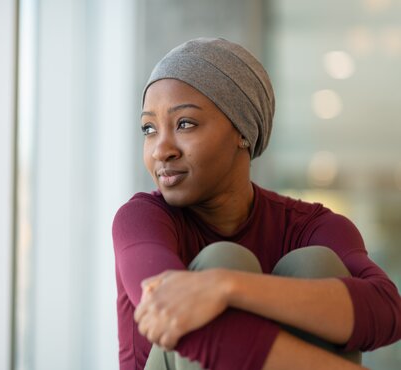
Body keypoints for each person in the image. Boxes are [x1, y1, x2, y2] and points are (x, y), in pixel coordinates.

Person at [112, 38, 401, 370]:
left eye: (185, 124)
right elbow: (174, 315)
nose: (161, 149)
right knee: (223, 259)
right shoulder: (140, 219)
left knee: (315, 266)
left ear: (242, 131)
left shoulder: (312, 227)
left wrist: (227, 287)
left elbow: (387, 309)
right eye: (148, 128)